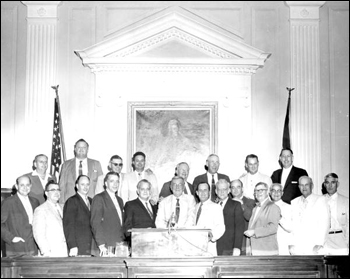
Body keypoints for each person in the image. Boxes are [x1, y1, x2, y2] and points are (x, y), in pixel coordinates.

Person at [289, 176, 330, 255]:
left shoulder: (320, 200)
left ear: (312, 186)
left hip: (314, 246)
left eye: (306, 185)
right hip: (297, 247)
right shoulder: (294, 202)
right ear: (298, 187)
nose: (304, 187)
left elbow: (325, 223)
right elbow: (292, 224)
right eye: (301, 185)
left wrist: (320, 243)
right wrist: (291, 243)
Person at [1, 175, 40, 256]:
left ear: (31, 186)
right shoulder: (8, 202)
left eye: (27, 185)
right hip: (16, 250)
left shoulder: (35, 202)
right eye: (22, 185)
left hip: (33, 249)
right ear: (16, 186)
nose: (25, 187)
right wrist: (11, 238)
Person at [90, 172, 125, 256]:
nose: (115, 184)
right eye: (112, 181)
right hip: (105, 247)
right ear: (106, 183)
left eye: (117, 181)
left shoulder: (120, 200)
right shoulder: (99, 198)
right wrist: (101, 245)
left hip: (118, 245)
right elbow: (95, 223)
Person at [59, 138, 103, 203]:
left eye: (84, 147)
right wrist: (62, 203)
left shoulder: (96, 164)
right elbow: (61, 186)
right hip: (71, 201)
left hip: (91, 201)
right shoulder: (66, 165)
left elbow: (101, 185)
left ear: (87, 149)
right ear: (75, 149)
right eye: (79, 147)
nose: (81, 150)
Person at [244, 182, 280, 256]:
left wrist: (254, 232)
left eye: (261, 190)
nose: (258, 192)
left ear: (267, 192)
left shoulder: (273, 207)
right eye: (256, 191)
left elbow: (273, 228)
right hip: (254, 251)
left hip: (267, 251)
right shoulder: (255, 208)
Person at [33, 181, 68, 257]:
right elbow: (38, 234)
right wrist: (46, 252)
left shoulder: (64, 207)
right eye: (53, 190)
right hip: (51, 254)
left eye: (58, 190)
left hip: (65, 252)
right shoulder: (40, 210)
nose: (56, 192)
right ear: (46, 193)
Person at [63, 175, 93, 256]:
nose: (85, 187)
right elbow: (69, 226)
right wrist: (72, 246)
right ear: (77, 186)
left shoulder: (92, 201)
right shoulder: (72, 201)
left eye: (87, 184)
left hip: (91, 247)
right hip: (78, 247)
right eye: (82, 184)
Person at [195, 182, 225, 256]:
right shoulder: (195, 207)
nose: (203, 193)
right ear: (197, 193)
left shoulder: (216, 207)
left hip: (208, 247)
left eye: (205, 190)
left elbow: (221, 227)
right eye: (200, 190)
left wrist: (211, 236)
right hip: (194, 246)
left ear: (209, 192)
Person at [215, 179, 245, 256]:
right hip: (214, 247)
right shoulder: (213, 206)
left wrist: (237, 247)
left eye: (224, 189)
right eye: (219, 189)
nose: (222, 192)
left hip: (229, 248)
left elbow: (239, 227)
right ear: (216, 191)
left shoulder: (236, 205)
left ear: (228, 190)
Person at [124, 179, 158, 244]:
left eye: (147, 189)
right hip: (139, 243)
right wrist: (143, 233)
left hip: (154, 242)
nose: (145, 191)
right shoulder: (130, 205)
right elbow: (127, 229)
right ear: (138, 191)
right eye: (142, 189)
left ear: (150, 191)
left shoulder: (154, 206)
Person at [323, 173, 349, 255]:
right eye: (327, 183)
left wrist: (347, 241)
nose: (330, 185)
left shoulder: (346, 201)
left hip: (341, 242)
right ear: (324, 185)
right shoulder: (320, 200)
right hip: (325, 242)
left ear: (337, 184)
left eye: (333, 182)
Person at [230, 179, 255, 255]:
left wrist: (241, 204)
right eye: (233, 187)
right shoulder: (228, 202)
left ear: (242, 189)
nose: (235, 190)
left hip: (244, 245)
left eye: (238, 187)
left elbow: (250, 218)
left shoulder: (250, 202)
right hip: (230, 245)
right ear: (230, 190)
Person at [270, 183, 292, 255]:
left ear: (282, 193)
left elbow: (290, 228)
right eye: (273, 190)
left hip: (282, 245)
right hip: (268, 244)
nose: (276, 193)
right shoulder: (266, 207)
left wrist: (279, 217)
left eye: (279, 191)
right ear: (270, 193)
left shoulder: (288, 207)